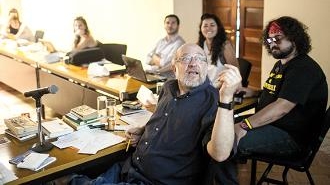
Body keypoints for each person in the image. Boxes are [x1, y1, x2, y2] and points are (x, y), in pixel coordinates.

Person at [59, 43, 242, 185]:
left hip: (157, 181)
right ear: (174, 66)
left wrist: (226, 98)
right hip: (130, 167)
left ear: (206, 65)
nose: (193, 63)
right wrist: (145, 130)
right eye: (186, 58)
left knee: (67, 180)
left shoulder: (213, 101)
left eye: (200, 59)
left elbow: (219, 153)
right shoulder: (169, 87)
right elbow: (167, 122)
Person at [209, 16, 328, 184]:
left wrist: (244, 125)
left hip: (292, 137)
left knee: (223, 142)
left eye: (278, 38)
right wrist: (251, 92)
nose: (272, 43)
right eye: (269, 39)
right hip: (272, 126)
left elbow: (282, 107)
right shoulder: (282, 64)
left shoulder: (303, 68)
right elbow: (274, 93)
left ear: (294, 38)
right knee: (216, 130)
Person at [197, 13, 239, 88]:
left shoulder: (225, 46)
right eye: (205, 26)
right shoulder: (199, 45)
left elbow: (235, 71)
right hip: (202, 87)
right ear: (201, 29)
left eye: (212, 25)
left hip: (220, 89)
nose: (208, 28)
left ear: (218, 28)